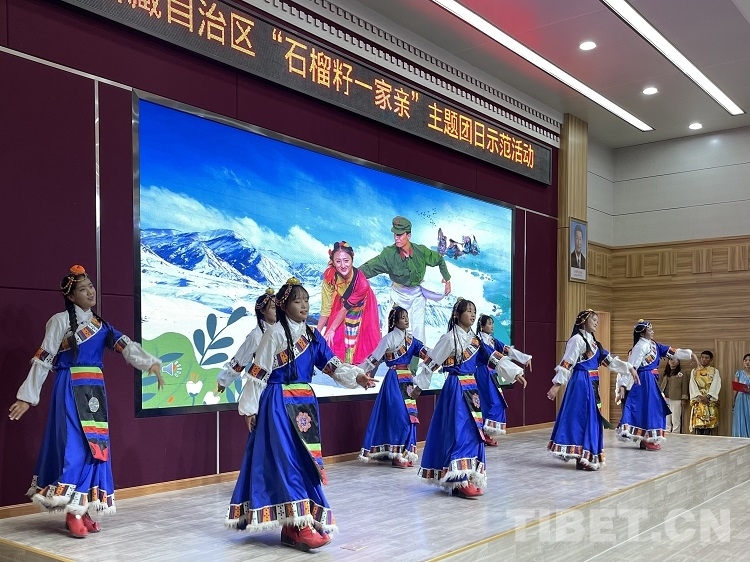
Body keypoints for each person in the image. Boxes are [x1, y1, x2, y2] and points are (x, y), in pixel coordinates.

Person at [7, 265, 164, 538]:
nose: (91, 292)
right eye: (83, 289)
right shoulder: (59, 322)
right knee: (75, 449)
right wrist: (27, 397)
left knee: (96, 449)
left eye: (90, 286)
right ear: (71, 296)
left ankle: (84, 507)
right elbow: (44, 358)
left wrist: (151, 364)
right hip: (70, 387)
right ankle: (73, 511)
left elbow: (126, 346)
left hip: (94, 391)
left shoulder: (101, 325)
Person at [225, 278, 375, 552]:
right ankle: (299, 526)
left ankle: (295, 524)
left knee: (305, 463)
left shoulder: (312, 335)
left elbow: (332, 365)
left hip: (304, 405)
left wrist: (357, 377)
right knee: (288, 462)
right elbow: (258, 373)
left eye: (307, 300)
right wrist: (249, 408)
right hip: (278, 403)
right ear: (284, 306)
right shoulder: (274, 334)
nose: (304, 305)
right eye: (297, 301)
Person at [415, 298, 517, 498]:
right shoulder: (450, 338)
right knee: (459, 432)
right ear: (457, 314)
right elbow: (431, 362)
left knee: (473, 432)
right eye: (468, 311)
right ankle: (458, 480)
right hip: (456, 388)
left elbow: (493, 357)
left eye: (474, 311)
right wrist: (419, 386)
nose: (472, 314)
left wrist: (514, 371)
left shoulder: (476, 340)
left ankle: (468, 476)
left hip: (472, 389)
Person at [546, 309, 636, 471]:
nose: (596, 322)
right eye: (593, 319)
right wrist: (557, 385)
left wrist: (629, 368)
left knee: (592, 418)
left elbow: (609, 361)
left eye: (597, 320)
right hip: (581, 382)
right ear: (583, 321)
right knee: (583, 418)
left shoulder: (594, 343)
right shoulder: (576, 340)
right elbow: (567, 362)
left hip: (592, 382)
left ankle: (587, 456)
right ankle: (582, 457)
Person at [359, 216, 452, 344]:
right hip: (398, 294)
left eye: (400, 234)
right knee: (388, 329)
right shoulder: (389, 254)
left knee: (418, 332)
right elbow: (370, 267)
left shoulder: (421, 252)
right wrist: (350, 275)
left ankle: (416, 355)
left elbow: (439, 260)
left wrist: (447, 279)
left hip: (417, 295)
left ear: (409, 235)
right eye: (395, 234)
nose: (396, 237)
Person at [357, 306, 427, 468]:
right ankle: (396, 454)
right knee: (399, 416)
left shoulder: (412, 340)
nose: (406, 320)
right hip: (394, 380)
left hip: (407, 381)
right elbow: (374, 358)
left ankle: (405, 453)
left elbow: (426, 353)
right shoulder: (388, 338)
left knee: (410, 417)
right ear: (394, 321)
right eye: (402, 317)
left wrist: (441, 355)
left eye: (407, 316)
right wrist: (359, 373)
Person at [616, 320, 695, 450]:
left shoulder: (654, 345)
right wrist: (623, 385)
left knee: (650, 409)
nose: (652, 332)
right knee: (650, 409)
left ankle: (646, 438)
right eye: (650, 330)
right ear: (642, 333)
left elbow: (672, 352)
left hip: (651, 380)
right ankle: (648, 438)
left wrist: (690, 354)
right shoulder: (640, 346)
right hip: (643, 380)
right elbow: (631, 366)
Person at [216, 288, 276, 430]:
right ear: (263, 311)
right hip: (266, 386)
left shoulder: (284, 331)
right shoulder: (256, 336)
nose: (277, 311)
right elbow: (241, 359)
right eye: (274, 308)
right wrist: (224, 380)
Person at [316, 241, 381, 364]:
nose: (343, 265)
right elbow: (326, 308)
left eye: (346, 260)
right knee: (333, 339)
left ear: (352, 260)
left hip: (363, 303)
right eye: (338, 261)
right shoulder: (330, 278)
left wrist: (332, 329)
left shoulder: (362, 283)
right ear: (333, 262)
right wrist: (317, 333)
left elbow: (346, 308)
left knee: (361, 338)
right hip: (342, 302)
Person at [475, 314, 531, 445]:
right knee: (492, 402)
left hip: (491, 372)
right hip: (483, 372)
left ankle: (485, 434)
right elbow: (494, 357)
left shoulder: (492, 341)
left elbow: (508, 350)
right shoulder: (478, 341)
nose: (492, 326)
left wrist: (525, 358)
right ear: (482, 326)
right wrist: (515, 373)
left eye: (492, 323)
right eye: (489, 323)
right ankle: (482, 433)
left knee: (490, 403)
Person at [689, 350, 721, 435]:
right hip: (698, 400)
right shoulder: (694, 371)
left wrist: (708, 397)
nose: (704, 359)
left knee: (709, 425)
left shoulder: (714, 371)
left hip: (709, 400)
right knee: (698, 424)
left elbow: (716, 384)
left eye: (706, 358)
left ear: (711, 359)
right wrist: (699, 396)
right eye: (702, 357)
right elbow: (692, 385)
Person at [659, 357, 690, 433]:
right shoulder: (665, 372)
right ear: (668, 362)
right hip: (665, 398)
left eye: (675, 360)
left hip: (676, 398)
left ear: (678, 362)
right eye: (671, 360)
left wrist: (684, 398)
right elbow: (661, 384)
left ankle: (676, 433)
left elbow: (685, 386)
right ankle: (667, 432)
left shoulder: (682, 373)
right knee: (666, 417)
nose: (672, 362)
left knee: (675, 418)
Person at [732, 354, 750, 437]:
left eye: (749, 360)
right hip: (740, 399)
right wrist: (733, 400)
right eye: (745, 360)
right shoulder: (738, 373)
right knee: (740, 418)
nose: (747, 362)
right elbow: (735, 388)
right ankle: (740, 437)